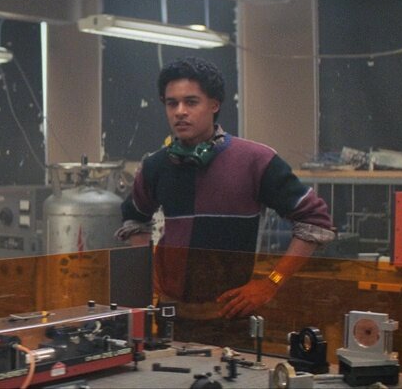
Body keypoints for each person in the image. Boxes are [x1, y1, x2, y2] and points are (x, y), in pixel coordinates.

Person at [116, 57, 334, 343]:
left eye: (191, 102)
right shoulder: (156, 166)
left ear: (214, 105)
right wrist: (149, 267)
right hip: (171, 319)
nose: (180, 112)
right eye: (172, 103)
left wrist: (271, 283)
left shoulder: (256, 160)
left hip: (231, 323)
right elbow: (135, 218)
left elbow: (316, 222)